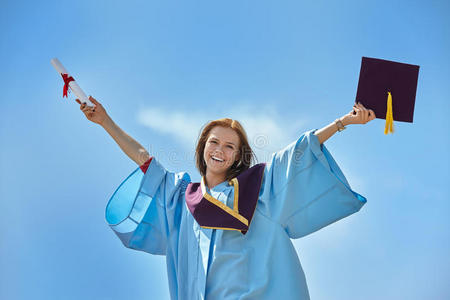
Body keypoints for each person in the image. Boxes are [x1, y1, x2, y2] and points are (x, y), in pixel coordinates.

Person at [76, 96, 375, 300]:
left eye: (230, 146)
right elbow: (144, 159)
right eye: (214, 142)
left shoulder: (256, 189)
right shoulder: (180, 199)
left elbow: (295, 154)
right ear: (203, 147)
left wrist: (342, 122)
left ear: (237, 157)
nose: (220, 149)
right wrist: (105, 121)